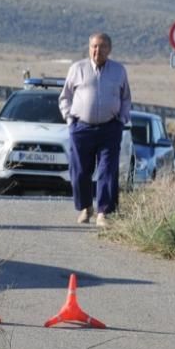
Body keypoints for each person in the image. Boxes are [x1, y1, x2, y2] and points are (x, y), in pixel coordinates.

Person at [58, 32, 132, 227]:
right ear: (89, 48)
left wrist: (121, 120)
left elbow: (126, 98)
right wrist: (69, 120)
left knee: (108, 170)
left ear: (109, 49)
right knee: (80, 171)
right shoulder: (77, 68)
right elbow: (65, 97)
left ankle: (104, 213)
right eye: (94, 46)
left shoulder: (119, 71)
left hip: (110, 128)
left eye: (102, 47)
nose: (97, 50)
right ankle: (85, 207)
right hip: (81, 128)